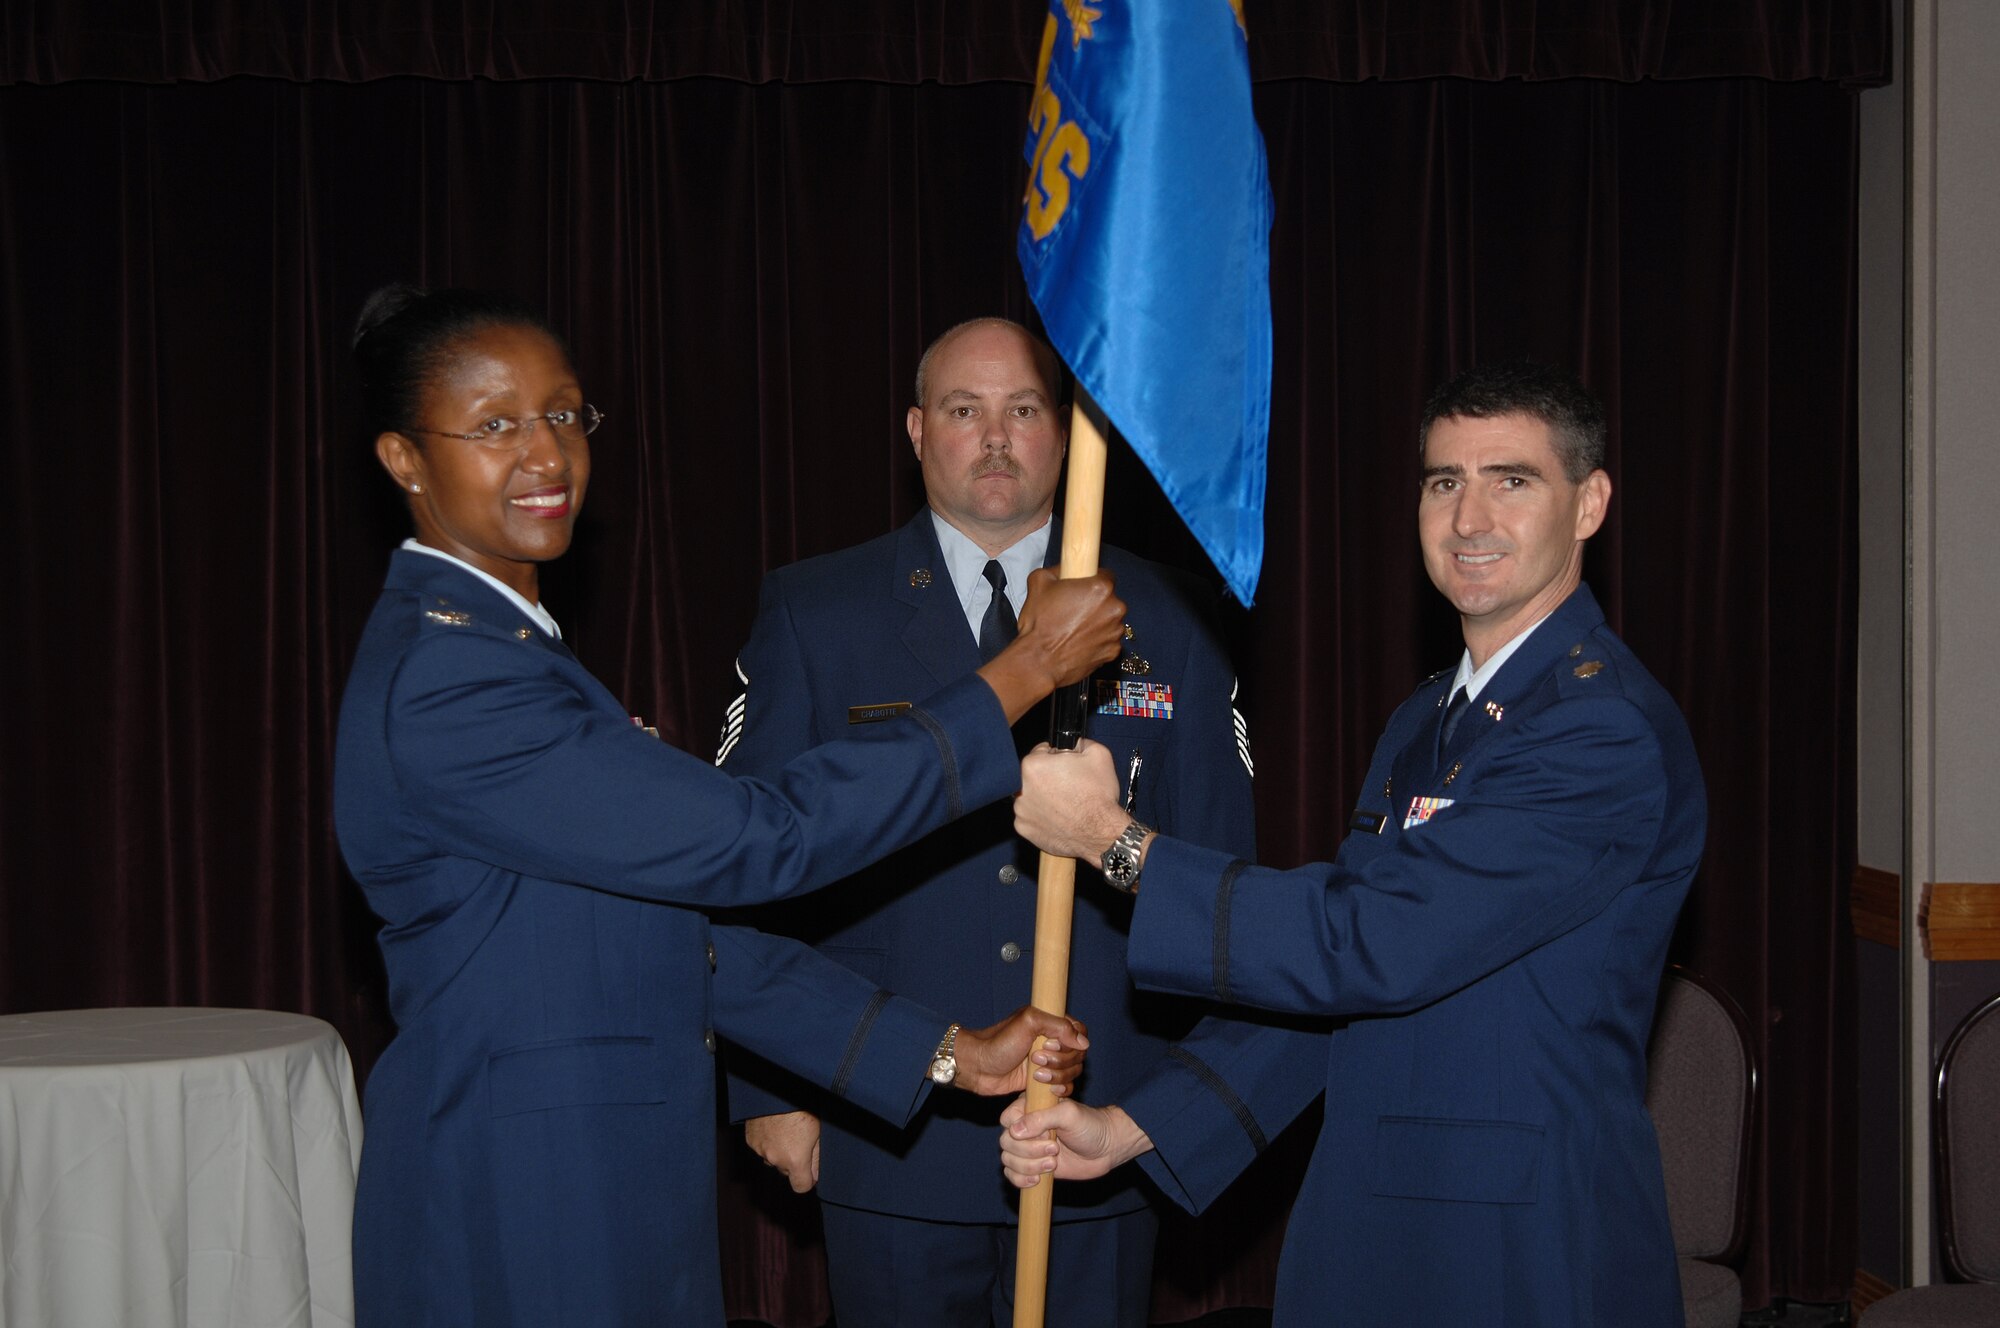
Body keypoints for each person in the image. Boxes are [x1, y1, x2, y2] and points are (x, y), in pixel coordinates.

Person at [334, 285, 1126, 1327]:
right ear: (404, 459)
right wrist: (1019, 674)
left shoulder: (509, 645)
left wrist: (938, 1050)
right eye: (493, 426)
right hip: (521, 1194)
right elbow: (762, 837)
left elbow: (685, 939)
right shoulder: (453, 677)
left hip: (592, 1182)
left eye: (565, 414)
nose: (545, 454)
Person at [1000, 361, 1707, 1327]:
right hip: (1376, 1222)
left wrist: (1115, 842)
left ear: (1589, 504)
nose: (1469, 518)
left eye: (1513, 480)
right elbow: (1331, 1000)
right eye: (1443, 482)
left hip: (1519, 1251)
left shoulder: (1599, 731)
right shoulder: (1430, 717)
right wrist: (1138, 1126)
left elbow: (1369, 943)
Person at [719, 317, 1255, 1327]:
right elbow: (751, 865)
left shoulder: (1170, 615)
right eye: (965, 411)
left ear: (1063, 434)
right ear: (918, 431)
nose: (995, 435)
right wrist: (767, 1086)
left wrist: (1176, 1102)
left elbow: (1222, 881)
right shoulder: (816, 610)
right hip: (888, 1122)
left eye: (1022, 409)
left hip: (1096, 1121)